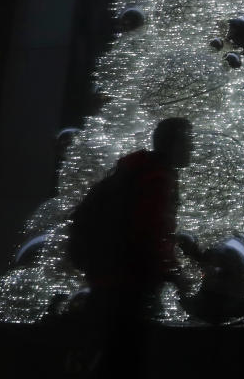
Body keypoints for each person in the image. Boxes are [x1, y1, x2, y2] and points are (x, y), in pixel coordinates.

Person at [79, 117, 194, 378]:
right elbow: (149, 233)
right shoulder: (156, 179)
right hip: (127, 284)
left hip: (109, 278)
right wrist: (175, 274)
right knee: (124, 359)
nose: (192, 149)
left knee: (111, 357)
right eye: (188, 142)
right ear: (173, 144)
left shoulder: (138, 171)